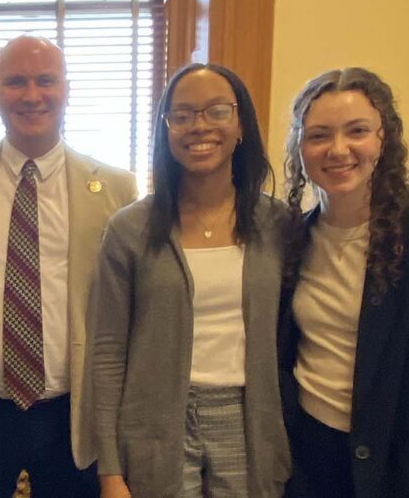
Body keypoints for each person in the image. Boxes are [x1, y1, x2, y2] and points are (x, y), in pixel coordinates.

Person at [0, 35, 138, 497]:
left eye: (45, 81)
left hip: (75, 411)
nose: (32, 95)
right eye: (16, 82)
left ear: (66, 89)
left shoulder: (116, 189)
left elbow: (131, 308)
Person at [278, 67, 409, 498]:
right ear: (300, 146)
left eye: (356, 131)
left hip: (400, 472)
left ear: (384, 138)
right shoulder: (290, 240)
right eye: (319, 135)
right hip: (307, 466)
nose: (338, 149)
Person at [89, 63, 291, 498]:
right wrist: (110, 470)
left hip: (248, 420)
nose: (199, 126)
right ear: (166, 130)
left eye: (217, 111)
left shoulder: (278, 223)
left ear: (240, 126)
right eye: (181, 115)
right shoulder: (130, 229)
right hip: (156, 423)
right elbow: (107, 353)